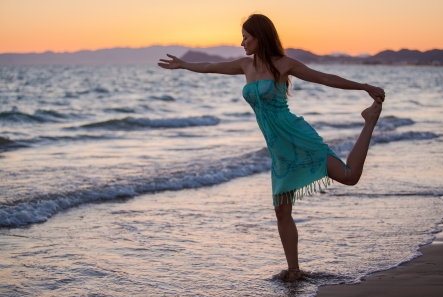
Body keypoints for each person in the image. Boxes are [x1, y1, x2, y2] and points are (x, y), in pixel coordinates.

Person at [158, 14, 385, 282]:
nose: (242, 42)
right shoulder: (244, 65)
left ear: (260, 36)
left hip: (296, 136)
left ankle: (370, 120)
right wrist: (184, 65)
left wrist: (364, 87)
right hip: (278, 150)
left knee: (349, 177)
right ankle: (294, 269)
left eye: (246, 36)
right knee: (281, 210)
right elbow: (210, 66)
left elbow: (325, 78)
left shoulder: (284, 64)